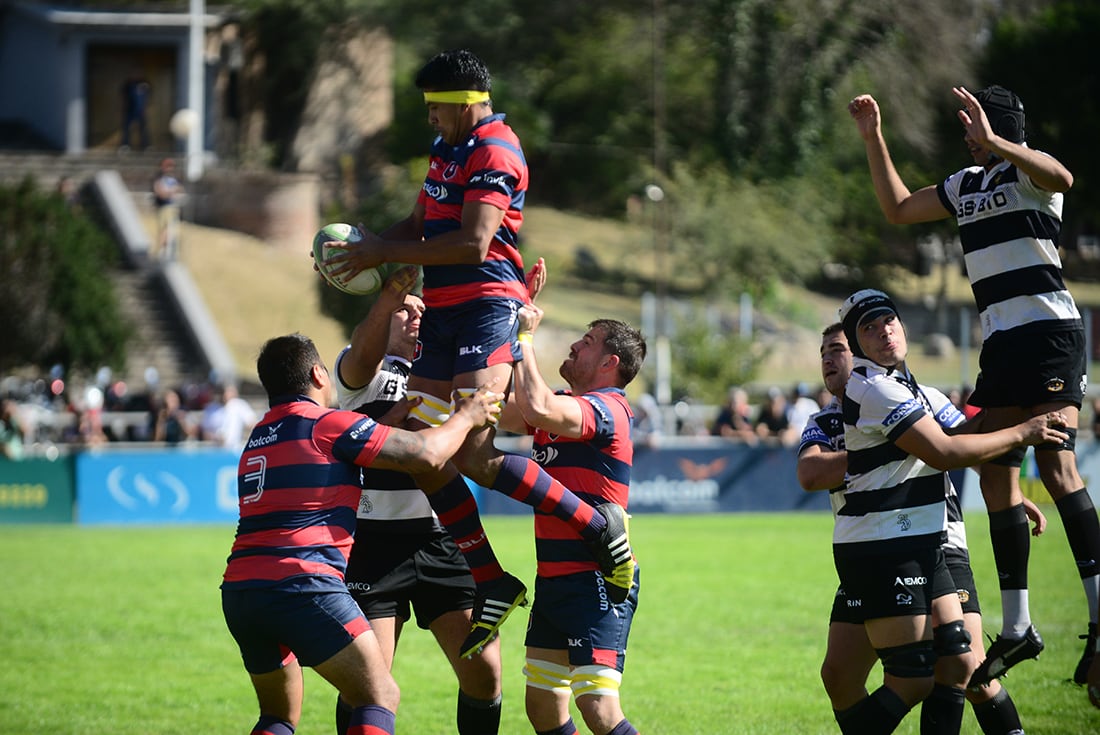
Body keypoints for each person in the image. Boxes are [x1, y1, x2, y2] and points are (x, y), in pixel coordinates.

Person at [322, 49, 635, 658]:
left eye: (437, 106)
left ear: (465, 102)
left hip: (485, 305)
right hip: (442, 312)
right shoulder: (447, 151)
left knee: (473, 452)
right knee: (418, 448)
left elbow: (472, 243)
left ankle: (595, 525)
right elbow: (419, 224)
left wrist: (376, 252)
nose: (431, 118)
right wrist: (364, 247)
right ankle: (493, 579)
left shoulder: (497, 148)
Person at [850, 85, 1100, 689]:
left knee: (1057, 466)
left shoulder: (1030, 176)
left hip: (1049, 335)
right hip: (1002, 344)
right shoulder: (965, 184)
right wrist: (873, 138)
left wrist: (998, 143)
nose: (967, 134)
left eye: (974, 125)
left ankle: (1098, 617)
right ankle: (1019, 626)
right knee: (993, 472)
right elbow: (901, 208)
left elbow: (1064, 177)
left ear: (999, 127)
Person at [220, 332, 503, 735]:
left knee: (278, 717)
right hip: (303, 585)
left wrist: (380, 425)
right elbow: (427, 453)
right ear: (319, 374)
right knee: (380, 696)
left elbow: (334, 457)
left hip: (243, 593)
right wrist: (468, 416)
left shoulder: (260, 436)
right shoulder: (327, 424)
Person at [820, 289, 1067, 734]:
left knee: (959, 661)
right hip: (883, 544)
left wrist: (1006, 484)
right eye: (868, 329)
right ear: (859, 347)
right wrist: (1023, 432)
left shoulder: (910, 389)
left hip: (924, 539)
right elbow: (946, 451)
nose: (884, 332)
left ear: (903, 325)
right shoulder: (874, 388)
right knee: (913, 679)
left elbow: (967, 436)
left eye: (888, 320)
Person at [331, 267, 504, 735]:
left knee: (485, 671)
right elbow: (364, 353)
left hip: (440, 538)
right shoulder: (359, 372)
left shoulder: (448, 376)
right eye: (403, 312)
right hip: (372, 545)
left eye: (421, 313)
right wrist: (390, 295)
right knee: (367, 685)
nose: (413, 317)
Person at [501, 301, 646, 735]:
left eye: (585, 343)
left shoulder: (609, 409)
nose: (572, 346)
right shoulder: (562, 406)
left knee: (598, 708)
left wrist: (523, 335)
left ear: (609, 362)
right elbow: (493, 411)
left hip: (596, 578)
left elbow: (538, 407)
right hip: (553, 579)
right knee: (543, 707)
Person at [200, 383, 258, 450]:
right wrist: (215, 438)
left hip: (235, 449)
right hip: (216, 451)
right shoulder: (212, 408)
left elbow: (252, 423)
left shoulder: (238, 405)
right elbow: (205, 432)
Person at [152, 158, 183, 261]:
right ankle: (161, 251)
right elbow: (160, 193)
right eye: (168, 166)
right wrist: (169, 192)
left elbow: (178, 190)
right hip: (162, 207)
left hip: (171, 207)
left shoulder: (173, 179)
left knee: (169, 230)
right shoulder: (159, 179)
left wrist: (169, 192)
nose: (169, 169)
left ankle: (167, 252)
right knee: (163, 230)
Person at [120, 75, 151, 151]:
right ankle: (125, 145)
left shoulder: (144, 85)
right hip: (129, 111)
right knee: (126, 130)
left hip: (140, 112)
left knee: (143, 130)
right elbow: (123, 97)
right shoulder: (128, 86)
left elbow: (147, 98)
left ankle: (146, 146)